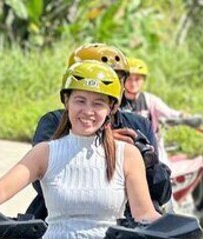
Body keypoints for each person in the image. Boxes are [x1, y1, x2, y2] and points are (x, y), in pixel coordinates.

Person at [0, 61, 191, 239]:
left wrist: (175, 229)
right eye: (80, 100)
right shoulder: (45, 152)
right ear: (66, 102)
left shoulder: (127, 154)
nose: (88, 111)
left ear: (111, 108)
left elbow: (144, 213)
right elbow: (0, 189)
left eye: (98, 103)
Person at [27, 44, 173, 219]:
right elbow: (40, 181)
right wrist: (100, 144)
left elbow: (161, 193)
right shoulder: (53, 122)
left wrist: (147, 160)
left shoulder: (139, 125)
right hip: (60, 218)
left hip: (128, 226)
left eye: (116, 80)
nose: (105, 86)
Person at [121, 57, 187, 165]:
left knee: (164, 174)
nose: (133, 83)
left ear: (143, 81)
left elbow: (169, 113)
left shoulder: (151, 101)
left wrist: (183, 116)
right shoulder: (116, 102)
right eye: (129, 79)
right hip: (124, 149)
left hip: (150, 149)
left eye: (137, 79)